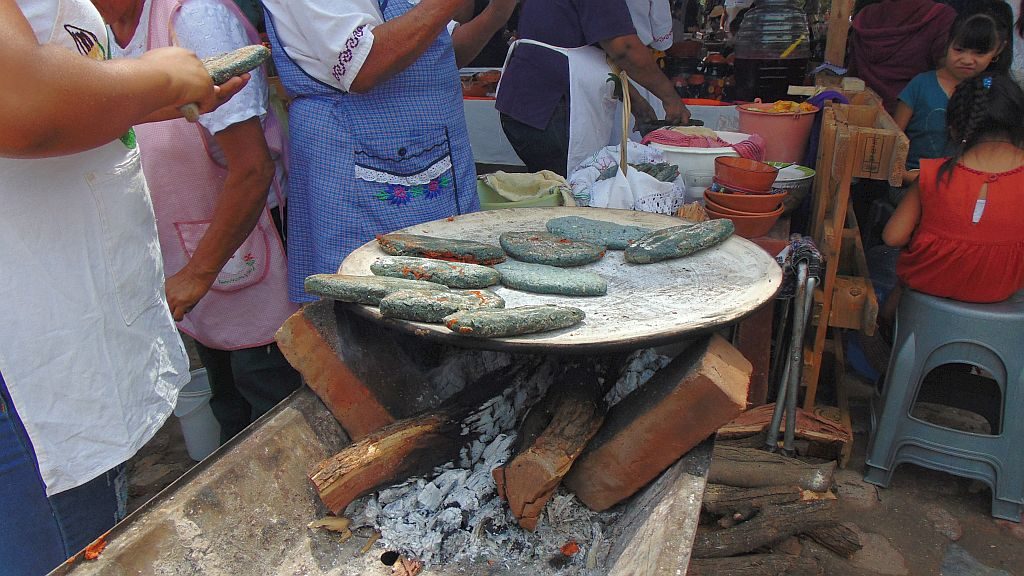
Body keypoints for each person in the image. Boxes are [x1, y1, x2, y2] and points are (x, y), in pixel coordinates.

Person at [0, 0, 246, 573]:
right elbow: (20, 103)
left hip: (67, 326)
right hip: (27, 360)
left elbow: (55, 101)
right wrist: (162, 73)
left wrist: (149, 101)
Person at [93, 0, 302, 443]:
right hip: (190, 253)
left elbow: (253, 170)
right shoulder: (100, 33)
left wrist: (197, 273)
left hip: (246, 246)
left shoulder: (195, 19)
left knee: (273, 407)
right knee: (229, 406)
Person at [260, 0, 518, 303]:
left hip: (428, 159)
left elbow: (440, 48)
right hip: (360, 164)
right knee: (374, 307)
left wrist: (497, 12)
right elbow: (364, 63)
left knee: (453, 297)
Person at [495, 0, 690, 177]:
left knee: (551, 187)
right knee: (568, 191)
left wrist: (636, 101)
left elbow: (597, 49)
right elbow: (624, 49)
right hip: (553, 106)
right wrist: (671, 99)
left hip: (526, 102)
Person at [883, 74, 1024, 304]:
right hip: (1000, 294)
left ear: (955, 129)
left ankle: (886, 327)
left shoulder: (935, 174)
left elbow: (892, 237)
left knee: (899, 296)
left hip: (930, 290)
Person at [894, 11, 1008, 186]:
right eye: (959, 50)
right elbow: (893, 140)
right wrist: (906, 175)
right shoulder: (921, 84)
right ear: (947, 43)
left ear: (998, 50)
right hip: (911, 182)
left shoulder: (994, 92)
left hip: (966, 187)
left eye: (979, 53)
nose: (967, 60)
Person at [847, 0, 957, 114]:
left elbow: (852, 75)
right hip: (915, 121)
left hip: (860, 112)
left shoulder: (865, 16)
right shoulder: (941, 17)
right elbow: (950, 73)